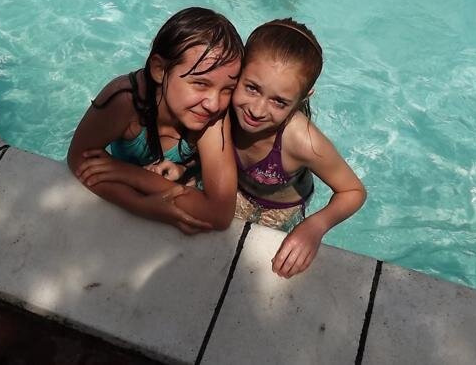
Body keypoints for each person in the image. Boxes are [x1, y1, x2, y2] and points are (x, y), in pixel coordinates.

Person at [150, 19, 366, 278]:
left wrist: (315, 227)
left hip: (278, 211)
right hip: (233, 189)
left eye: (279, 102)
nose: (257, 110)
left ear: (304, 97)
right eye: (252, 88)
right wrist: (184, 167)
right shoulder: (222, 107)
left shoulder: (302, 141)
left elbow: (353, 191)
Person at [67, 7, 244, 233]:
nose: (214, 103)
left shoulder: (213, 117)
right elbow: (78, 159)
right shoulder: (126, 102)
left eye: (228, 89)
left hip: (176, 178)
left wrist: (128, 173)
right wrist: (139, 205)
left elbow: (219, 213)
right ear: (159, 70)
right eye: (201, 83)